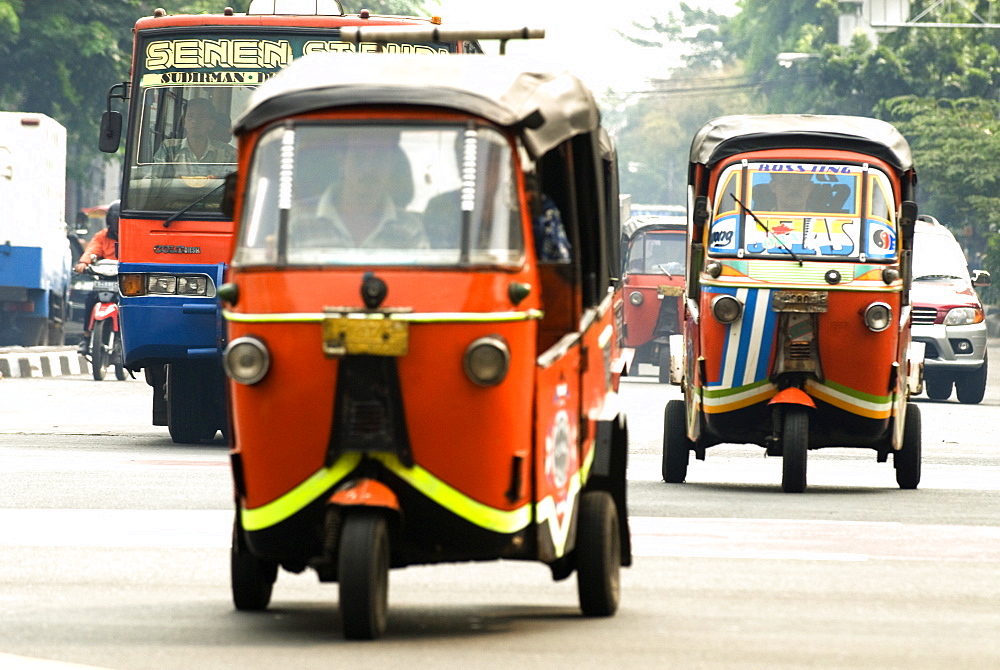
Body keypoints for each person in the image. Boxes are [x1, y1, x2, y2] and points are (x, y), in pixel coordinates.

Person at [302, 130, 428, 250]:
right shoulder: (300, 224)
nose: (368, 170)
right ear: (342, 161)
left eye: (379, 157)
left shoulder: (410, 230)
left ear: (392, 163)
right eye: (359, 157)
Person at [74, 200, 120, 355]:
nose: (117, 224)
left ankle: (125, 337)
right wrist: (83, 263)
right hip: (105, 280)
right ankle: (86, 337)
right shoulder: (101, 236)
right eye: (115, 220)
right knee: (90, 299)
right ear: (109, 220)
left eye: (120, 220)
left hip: (124, 281)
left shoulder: (132, 237)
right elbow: (91, 250)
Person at [153, 97, 236, 166]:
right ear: (184, 122)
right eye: (190, 116)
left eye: (201, 117)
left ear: (211, 124)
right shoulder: (169, 149)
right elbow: (153, 180)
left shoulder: (228, 153)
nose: (194, 121)